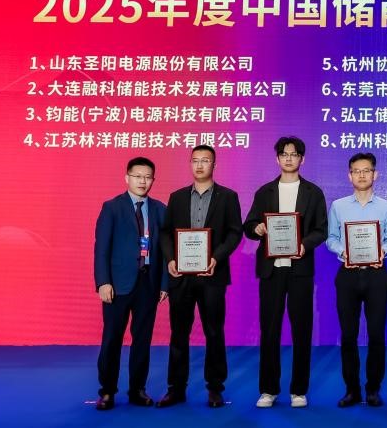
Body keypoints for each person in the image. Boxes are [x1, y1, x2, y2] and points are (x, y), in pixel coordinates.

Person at [244, 136, 329, 408]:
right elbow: (249, 224)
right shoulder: (264, 192)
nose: (289, 158)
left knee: (302, 329)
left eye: (294, 154)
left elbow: (321, 230)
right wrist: (257, 228)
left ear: (302, 159)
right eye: (284, 154)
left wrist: (304, 244)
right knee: (269, 330)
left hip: (300, 269)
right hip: (271, 270)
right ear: (277, 158)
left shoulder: (313, 193)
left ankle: (298, 390)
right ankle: (268, 389)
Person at [157, 144, 243, 409]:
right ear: (190, 164)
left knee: (214, 332)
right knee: (178, 333)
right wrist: (171, 259)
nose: (199, 165)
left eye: (205, 160)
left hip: (212, 276)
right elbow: (166, 232)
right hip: (181, 276)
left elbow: (235, 232)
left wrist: (216, 257)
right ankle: (176, 389)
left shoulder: (228, 197)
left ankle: (215, 388)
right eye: (195, 160)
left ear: (214, 165)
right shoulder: (177, 197)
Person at [93, 157, 168, 410]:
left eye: (148, 177)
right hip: (117, 285)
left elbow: (166, 251)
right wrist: (103, 282)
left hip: (148, 284)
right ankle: (107, 391)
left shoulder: (160, 209)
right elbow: (101, 249)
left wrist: (164, 284)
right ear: (127, 178)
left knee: (142, 340)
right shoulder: (111, 207)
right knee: (112, 339)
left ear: (153, 180)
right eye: (138, 176)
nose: (142, 181)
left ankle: (137, 390)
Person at [325, 152, 387, 408]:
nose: (362, 175)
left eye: (366, 170)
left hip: (377, 274)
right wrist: (342, 251)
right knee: (348, 335)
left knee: (376, 334)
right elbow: (331, 238)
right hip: (347, 274)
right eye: (356, 171)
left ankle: (373, 388)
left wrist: (382, 251)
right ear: (350, 176)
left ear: (375, 174)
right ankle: (352, 389)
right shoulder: (338, 206)